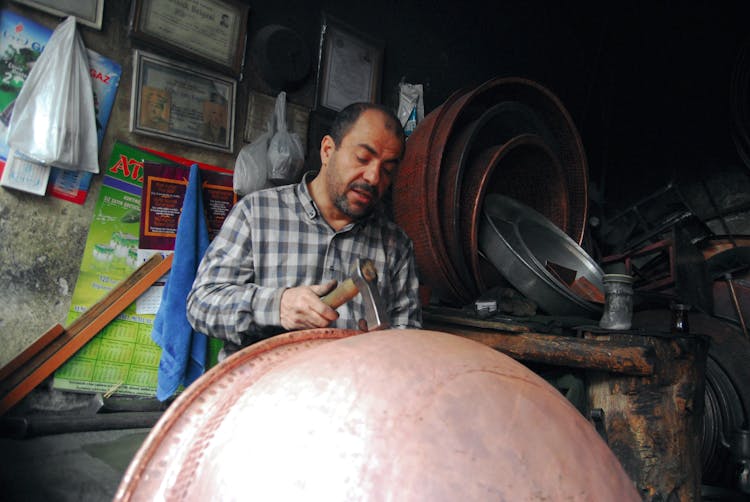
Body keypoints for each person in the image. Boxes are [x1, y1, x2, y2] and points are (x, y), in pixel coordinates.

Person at [186, 102, 422, 359]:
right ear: (328, 150)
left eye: (387, 169)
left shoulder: (395, 246)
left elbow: (407, 340)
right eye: (362, 159)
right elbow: (201, 304)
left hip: (350, 393)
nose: (374, 177)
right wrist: (277, 305)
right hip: (265, 391)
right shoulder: (257, 213)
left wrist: (383, 348)